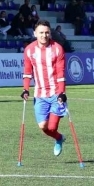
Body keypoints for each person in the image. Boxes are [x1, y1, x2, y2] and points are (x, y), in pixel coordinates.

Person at [21, 20, 68, 156]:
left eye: (47, 32)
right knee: (43, 127)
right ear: (35, 33)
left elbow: (60, 72)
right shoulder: (29, 50)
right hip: (39, 94)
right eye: (41, 32)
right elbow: (27, 71)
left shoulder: (57, 48)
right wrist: (25, 89)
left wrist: (62, 93)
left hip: (55, 94)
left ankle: (58, 138)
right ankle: (59, 138)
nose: (44, 35)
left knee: (52, 127)